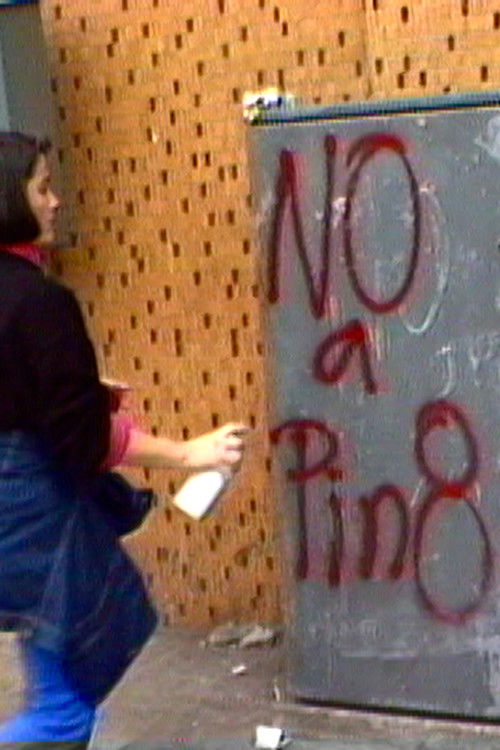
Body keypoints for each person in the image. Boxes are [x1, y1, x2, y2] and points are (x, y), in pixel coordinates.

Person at [0, 132, 248, 749]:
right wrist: (188, 454)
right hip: (27, 501)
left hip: (16, 510)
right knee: (74, 676)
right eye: (42, 188)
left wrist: (75, 389)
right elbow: (82, 440)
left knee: (53, 641)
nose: (55, 201)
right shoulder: (40, 301)